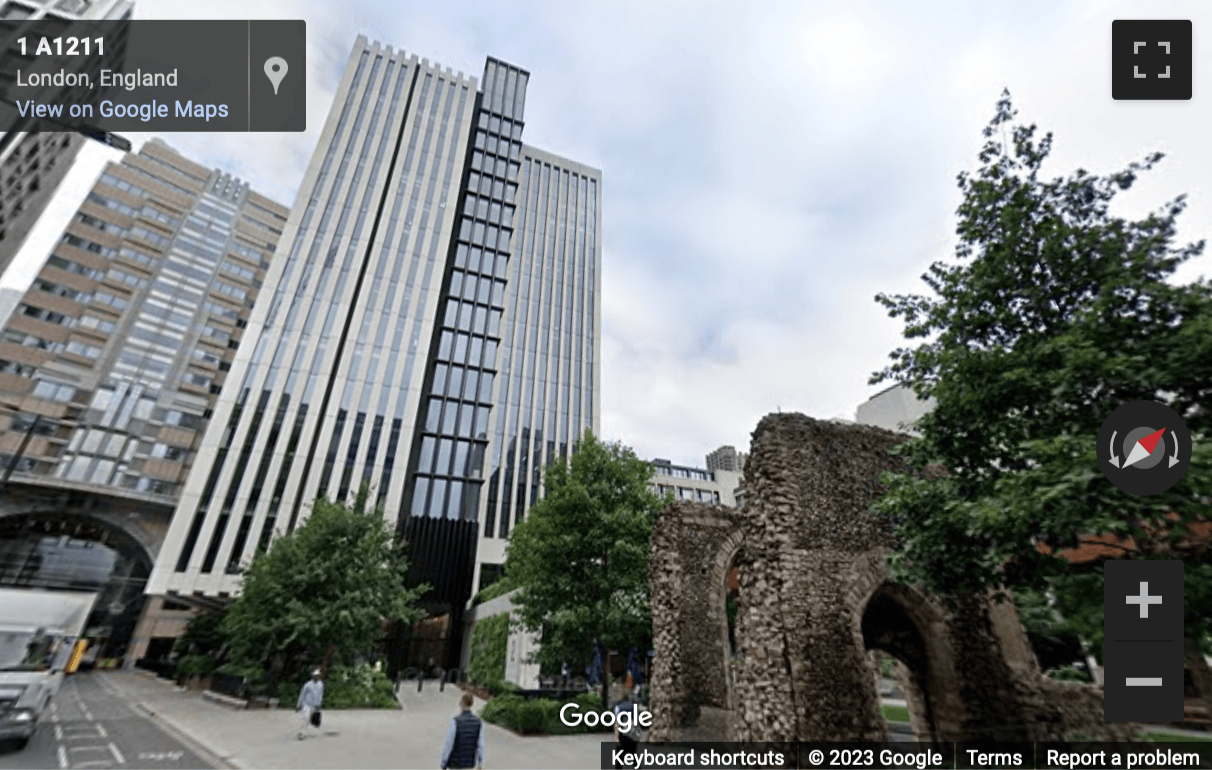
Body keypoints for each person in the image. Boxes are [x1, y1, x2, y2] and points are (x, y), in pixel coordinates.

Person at [439, 692, 485, 770]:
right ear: (472, 704)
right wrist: (480, 763)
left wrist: (443, 762)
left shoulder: (456, 722)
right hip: (470, 764)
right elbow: (481, 745)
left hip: (455, 763)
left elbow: (448, 743)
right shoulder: (478, 723)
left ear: (461, 703)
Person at [613, 685, 640, 764]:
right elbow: (637, 720)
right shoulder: (632, 705)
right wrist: (638, 736)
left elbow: (617, 723)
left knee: (618, 759)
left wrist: (616, 737)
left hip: (623, 734)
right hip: (632, 734)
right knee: (634, 759)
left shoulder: (618, 706)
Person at [296, 669, 324, 740]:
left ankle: (306, 729)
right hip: (306, 704)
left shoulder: (320, 684)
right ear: (312, 676)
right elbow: (302, 694)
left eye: (317, 676)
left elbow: (320, 695)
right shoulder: (307, 684)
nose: (316, 677)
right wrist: (298, 704)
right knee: (305, 718)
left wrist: (320, 703)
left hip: (315, 705)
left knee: (311, 720)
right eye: (315, 675)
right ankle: (301, 733)